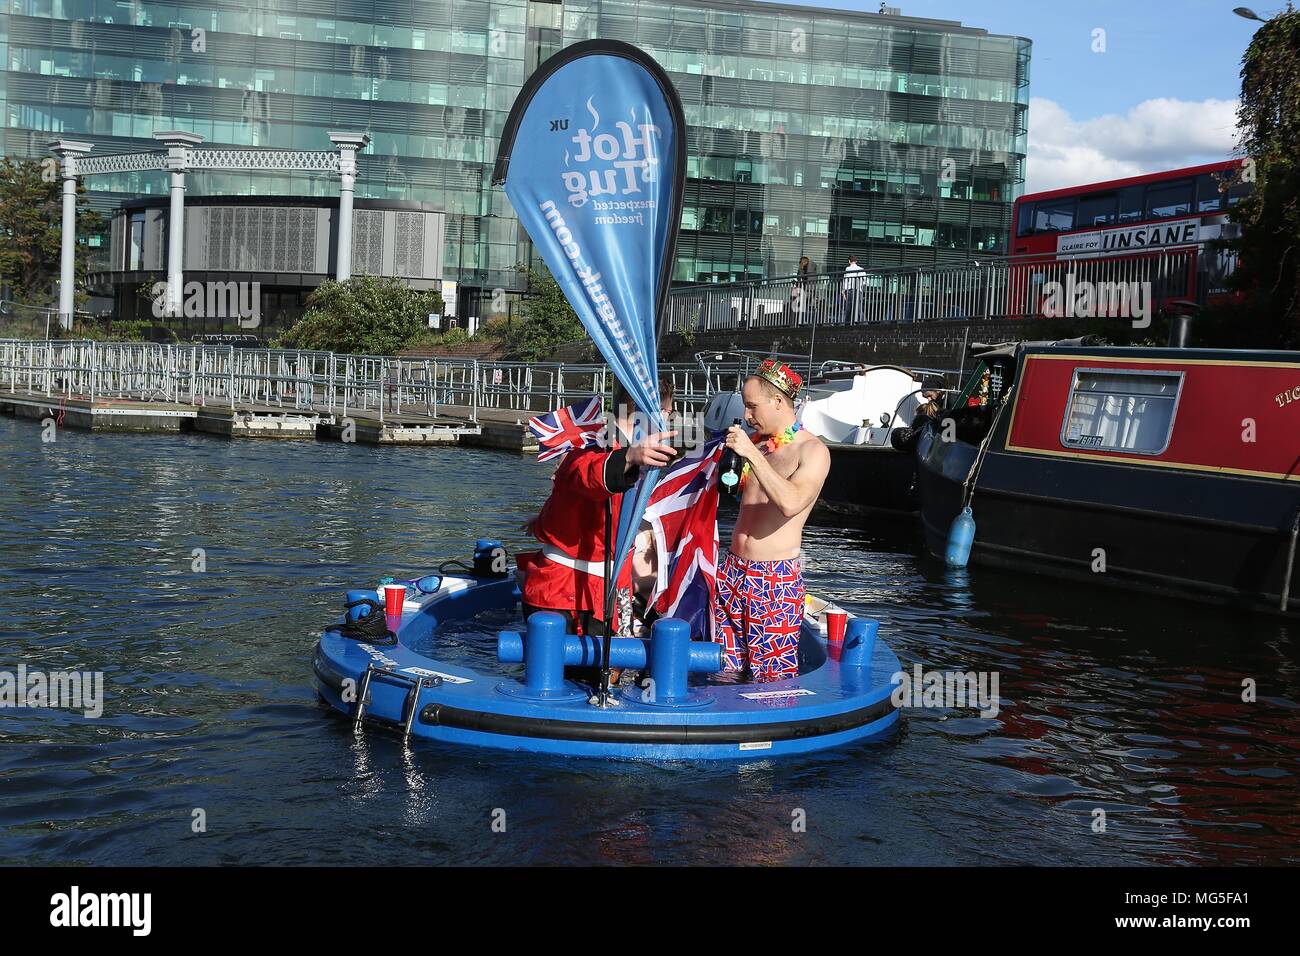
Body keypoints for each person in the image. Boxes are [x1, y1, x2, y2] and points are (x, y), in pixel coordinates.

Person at [519, 378, 676, 648]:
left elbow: (572, 495)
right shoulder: (593, 443)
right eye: (668, 413)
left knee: (614, 671)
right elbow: (587, 475)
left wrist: (550, 519)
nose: (671, 420)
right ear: (656, 413)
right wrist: (628, 458)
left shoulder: (642, 450)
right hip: (566, 590)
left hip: (612, 585)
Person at [714, 360, 830, 682]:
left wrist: (750, 453)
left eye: (752, 406)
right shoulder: (758, 445)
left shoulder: (812, 451)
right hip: (732, 570)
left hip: (774, 580)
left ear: (778, 401)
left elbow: (791, 503)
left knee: (771, 680)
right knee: (722, 669)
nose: (748, 416)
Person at [840, 254, 865, 325]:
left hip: (849, 290)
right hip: (858, 290)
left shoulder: (848, 269)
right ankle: (862, 322)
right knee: (858, 307)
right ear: (856, 261)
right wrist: (860, 284)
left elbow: (845, 280)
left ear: (849, 261)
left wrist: (843, 291)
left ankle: (847, 323)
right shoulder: (861, 269)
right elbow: (865, 281)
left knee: (848, 307)